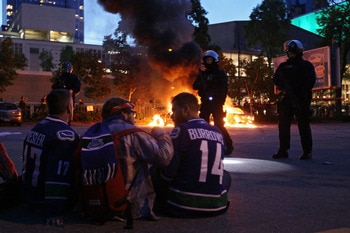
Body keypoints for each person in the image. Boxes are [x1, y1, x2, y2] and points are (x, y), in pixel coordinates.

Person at [93, 97, 173, 220]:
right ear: (122, 113)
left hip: (96, 205)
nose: (134, 117)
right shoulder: (134, 133)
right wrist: (162, 135)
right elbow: (163, 158)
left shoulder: (92, 132)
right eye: (132, 113)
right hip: (131, 207)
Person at [152, 92, 231, 218]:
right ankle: (212, 199)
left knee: (155, 168)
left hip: (183, 205)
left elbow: (168, 173)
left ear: (185, 109)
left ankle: (159, 204)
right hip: (217, 205)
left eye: (174, 110)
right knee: (226, 175)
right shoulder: (217, 131)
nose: (172, 115)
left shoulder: (181, 130)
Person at [21, 89, 80, 226]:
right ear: (69, 107)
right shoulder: (65, 135)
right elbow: (58, 174)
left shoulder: (38, 127)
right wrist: (54, 211)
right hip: (44, 200)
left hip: (29, 195)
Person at [272, 40, 316, 160]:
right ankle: (283, 150)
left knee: (303, 125)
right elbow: (275, 79)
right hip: (287, 98)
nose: (290, 54)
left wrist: (301, 92)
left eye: (292, 52)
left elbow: (310, 81)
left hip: (301, 98)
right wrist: (285, 87)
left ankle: (307, 152)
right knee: (283, 125)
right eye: (289, 52)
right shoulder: (283, 66)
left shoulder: (306, 65)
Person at [193, 50, 234, 155]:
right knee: (202, 126)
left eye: (210, 60)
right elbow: (195, 86)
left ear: (215, 61)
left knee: (219, 125)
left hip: (216, 103)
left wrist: (217, 98)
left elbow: (223, 88)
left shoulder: (220, 74)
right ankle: (203, 147)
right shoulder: (203, 74)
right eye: (207, 60)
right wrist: (200, 80)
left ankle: (228, 145)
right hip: (205, 103)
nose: (208, 62)